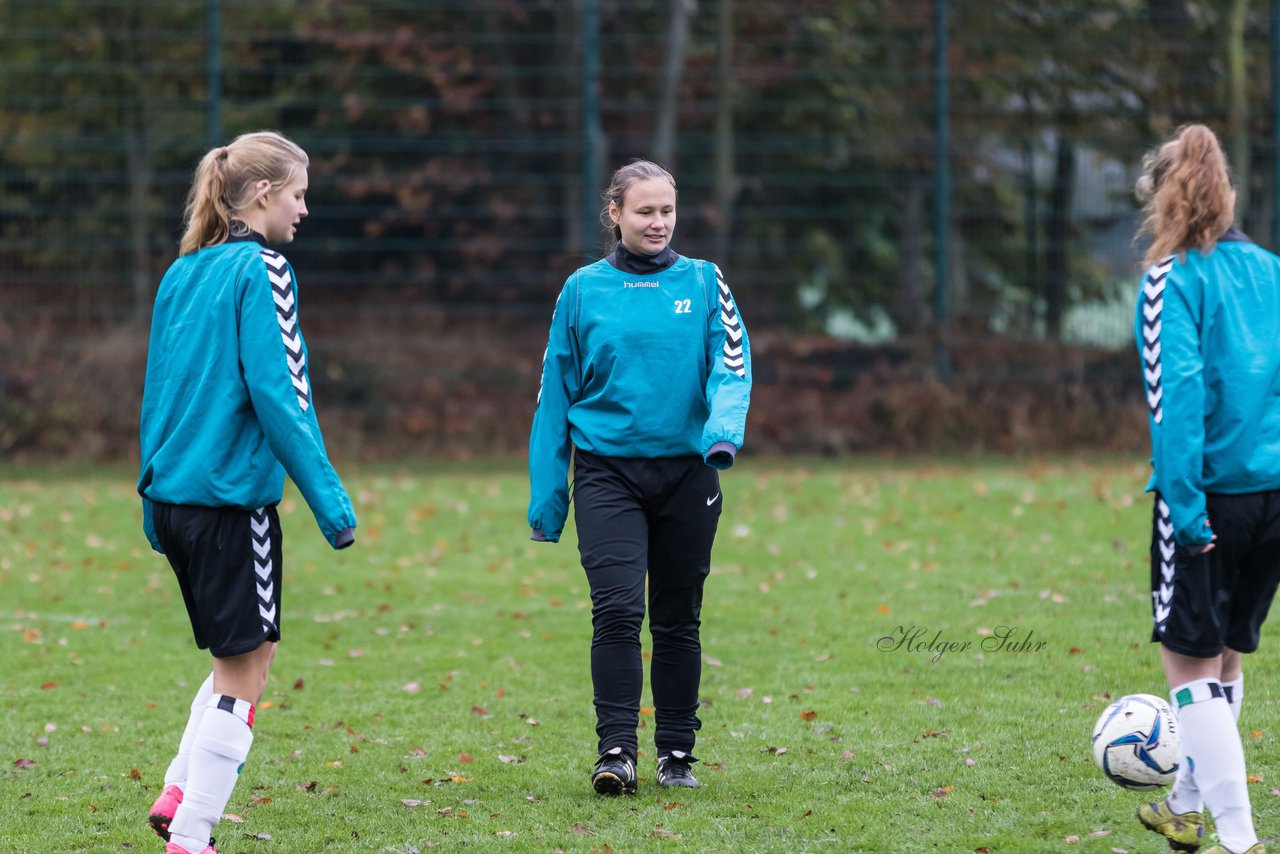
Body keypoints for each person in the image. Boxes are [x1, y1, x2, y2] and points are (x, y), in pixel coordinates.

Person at [137, 131, 357, 854]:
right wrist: (331, 503)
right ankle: (193, 835)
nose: (302, 211)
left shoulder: (184, 273)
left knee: (240, 658)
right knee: (248, 670)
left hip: (175, 498)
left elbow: (158, 395)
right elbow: (281, 394)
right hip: (230, 503)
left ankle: (177, 791)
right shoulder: (263, 270)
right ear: (263, 194)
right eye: (297, 195)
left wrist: (149, 496)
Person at [527, 160, 752, 795]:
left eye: (667, 211)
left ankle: (677, 754)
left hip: (688, 474)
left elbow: (732, 366)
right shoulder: (582, 291)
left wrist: (722, 433)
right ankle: (616, 752)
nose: (658, 222)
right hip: (606, 476)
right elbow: (554, 398)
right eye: (644, 211)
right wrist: (549, 501)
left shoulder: (705, 283)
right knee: (617, 611)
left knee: (678, 618)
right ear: (615, 215)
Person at [1133, 124, 1275, 854]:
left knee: (1188, 668)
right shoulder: (1273, 272)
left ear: (1162, 200)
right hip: (1276, 493)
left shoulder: (1171, 279)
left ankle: (1240, 841)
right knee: (1224, 655)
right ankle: (1185, 806)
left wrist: (1185, 512)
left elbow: (1176, 400)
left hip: (1208, 496)